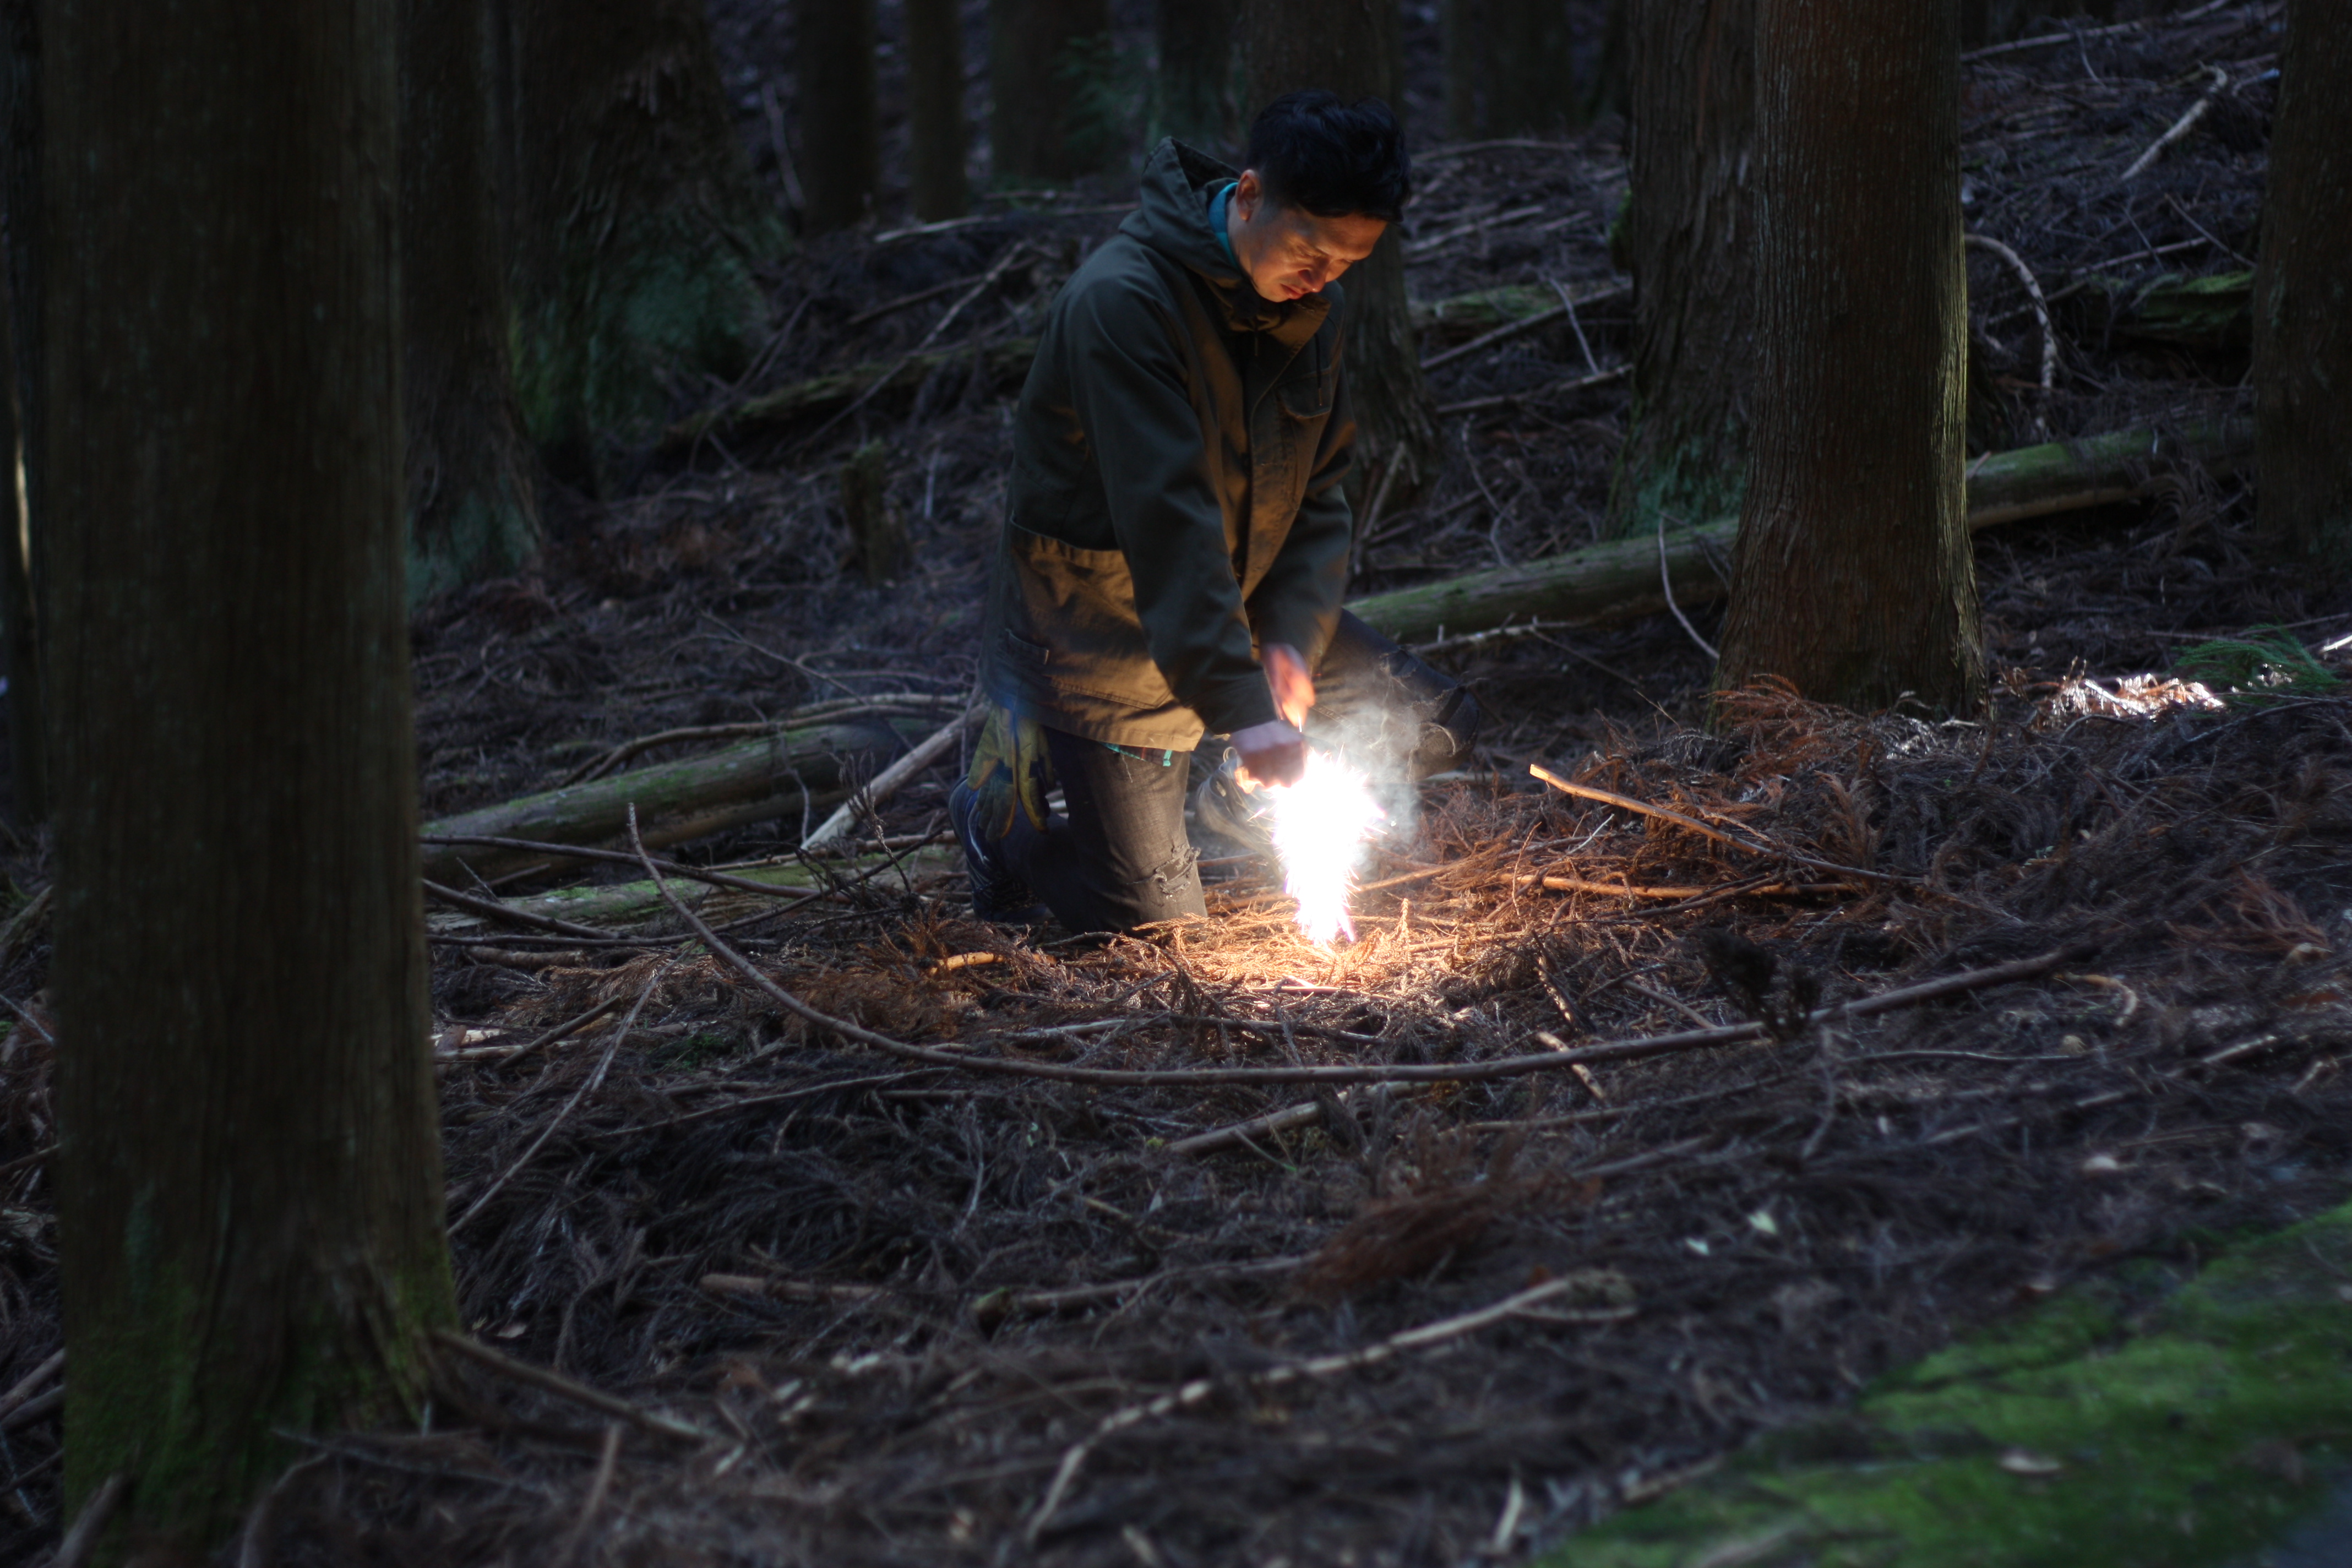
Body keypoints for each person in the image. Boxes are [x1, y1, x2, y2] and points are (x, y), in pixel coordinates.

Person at [951, 91, 1477, 932]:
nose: (1325, 277)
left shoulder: (1316, 313)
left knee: (1433, 725)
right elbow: (1169, 527)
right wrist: (1246, 708)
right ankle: (1000, 828)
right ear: (1249, 195)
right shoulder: (1122, 304)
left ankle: (1239, 793)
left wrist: (1290, 646)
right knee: (1152, 926)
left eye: (1350, 261)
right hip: (1099, 636)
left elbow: (1317, 499)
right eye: (1312, 249)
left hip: (1230, 603)